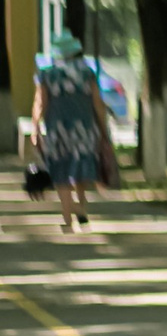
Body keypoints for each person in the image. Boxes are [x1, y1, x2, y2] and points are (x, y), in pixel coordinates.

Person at [32, 31, 115, 235]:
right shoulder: (87, 73)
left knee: (61, 172)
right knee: (81, 169)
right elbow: (97, 103)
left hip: (57, 130)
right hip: (84, 129)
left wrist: (35, 127)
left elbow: (40, 102)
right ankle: (81, 208)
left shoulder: (47, 74)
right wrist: (103, 131)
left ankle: (68, 220)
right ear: (75, 51)